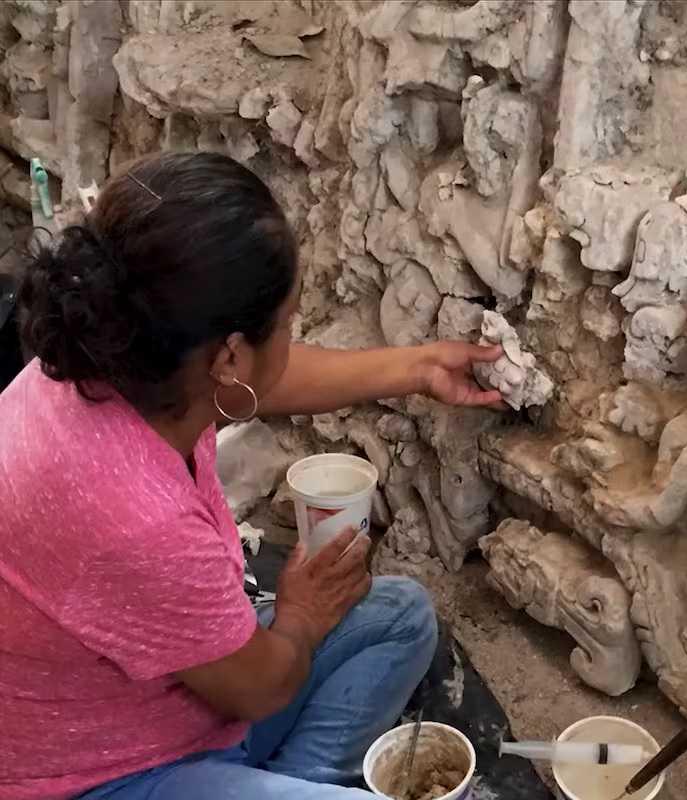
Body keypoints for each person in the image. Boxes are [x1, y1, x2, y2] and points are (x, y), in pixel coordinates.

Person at [0, 152, 505, 799]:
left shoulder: (111, 359)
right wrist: (299, 615)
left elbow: (259, 381)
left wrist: (419, 367)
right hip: (95, 773)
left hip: (160, 708)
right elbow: (262, 687)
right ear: (230, 354)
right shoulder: (138, 518)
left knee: (399, 618)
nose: (291, 337)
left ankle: (286, 782)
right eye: (289, 322)